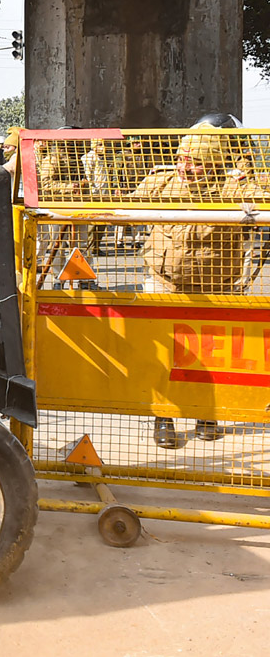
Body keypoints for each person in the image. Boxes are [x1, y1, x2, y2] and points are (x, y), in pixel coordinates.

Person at [132, 126, 235, 448]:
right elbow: (120, 203)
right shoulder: (163, 181)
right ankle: (164, 417)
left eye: (196, 162)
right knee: (163, 355)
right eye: (181, 159)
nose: (184, 167)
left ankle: (206, 414)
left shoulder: (233, 188)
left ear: (216, 164)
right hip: (164, 283)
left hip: (212, 290)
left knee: (209, 356)